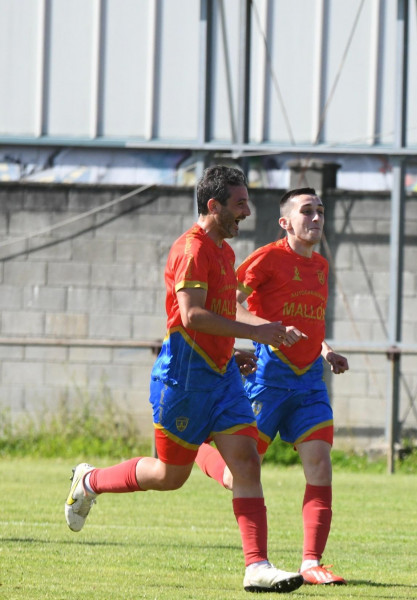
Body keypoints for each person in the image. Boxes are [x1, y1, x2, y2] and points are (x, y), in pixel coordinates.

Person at [65, 165, 306, 594]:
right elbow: (191, 315)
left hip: (221, 377)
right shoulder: (191, 250)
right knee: (169, 476)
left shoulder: (225, 252)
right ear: (213, 206)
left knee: (247, 463)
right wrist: (257, 332)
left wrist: (235, 349)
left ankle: (256, 566)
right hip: (182, 380)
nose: (247, 212)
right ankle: (90, 480)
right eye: (239, 204)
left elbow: (219, 316)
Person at [193, 187, 349, 586]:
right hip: (268, 378)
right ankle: (199, 452)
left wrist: (327, 350)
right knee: (237, 474)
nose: (315, 218)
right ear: (286, 222)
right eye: (306, 212)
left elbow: (310, 320)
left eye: (320, 211)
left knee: (320, 465)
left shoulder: (322, 267)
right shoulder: (267, 257)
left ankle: (311, 562)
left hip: (310, 380)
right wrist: (267, 332)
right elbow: (229, 301)